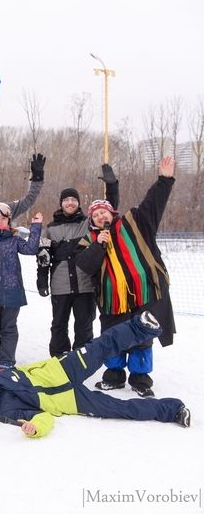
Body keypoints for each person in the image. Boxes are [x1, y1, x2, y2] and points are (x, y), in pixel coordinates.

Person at [0, 312, 191, 437]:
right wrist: (35, 430)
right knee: (120, 409)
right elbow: (42, 418)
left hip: (61, 369)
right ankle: (173, 410)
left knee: (101, 346)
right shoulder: (6, 413)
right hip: (71, 401)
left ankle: (141, 326)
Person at [76, 156, 177, 398]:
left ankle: (141, 379)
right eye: (96, 215)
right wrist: (98, 245)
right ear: (92, 221)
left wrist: (164, 180)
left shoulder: (134, 222)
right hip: (112, 300)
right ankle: (114, 376)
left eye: (104, 212)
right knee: (113, 336)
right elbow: (85, 266)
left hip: (145, 294)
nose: (101, 217)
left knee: (143, 337)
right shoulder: (88, 241)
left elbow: (153, 203)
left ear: (112, 213)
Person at [37, 164, 119, 357]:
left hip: (85, 285)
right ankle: (59, 358)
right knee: (58, 325)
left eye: (74, 199)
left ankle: (83, 359)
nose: (70, 203)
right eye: (66, 200)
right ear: (61, 203)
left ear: (79, 203)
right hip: (60, 284)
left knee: (84, 325)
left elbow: (107, 212)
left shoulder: (87, 224)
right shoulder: (49, 229)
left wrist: (112, 186)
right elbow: (43, 257)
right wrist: (41, 280)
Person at [0, 203, 42, 370]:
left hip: (12, 291)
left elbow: (31, 249)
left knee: (9, 328)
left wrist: (36, 226)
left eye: (3, 219)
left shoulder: (14, 240)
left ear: (8, 220)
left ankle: (6, 359)